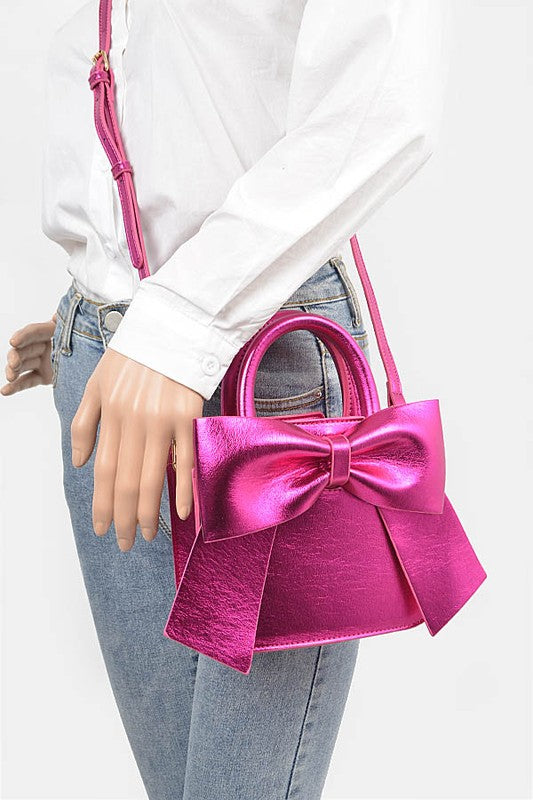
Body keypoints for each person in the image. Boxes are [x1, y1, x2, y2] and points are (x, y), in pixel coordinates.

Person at [1, 1, 445, 798]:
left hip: (260, 368)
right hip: (108, 358)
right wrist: (109, 300)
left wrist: (178, 324)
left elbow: (386, 98)